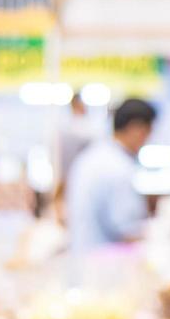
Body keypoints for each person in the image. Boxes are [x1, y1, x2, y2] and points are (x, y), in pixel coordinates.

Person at [65, 98, 157, 255]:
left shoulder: (94, 155)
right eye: (147, 132)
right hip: (104, 266)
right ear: (136, 128)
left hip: (83, 257)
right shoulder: (117, 167)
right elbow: (128, 230)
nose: (147, 140)